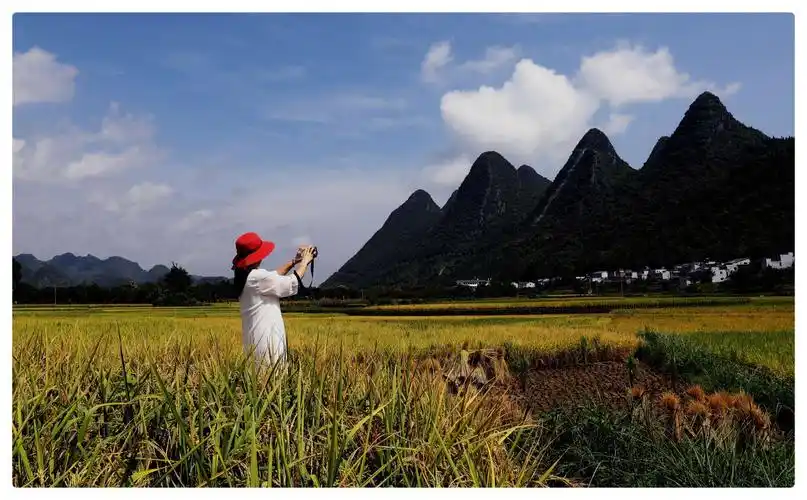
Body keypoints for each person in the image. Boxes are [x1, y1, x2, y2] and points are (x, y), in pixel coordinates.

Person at [231, 231, 316, 367]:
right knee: (272, 376)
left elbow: (273, 275)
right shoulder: (257, 277)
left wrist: (294, 261)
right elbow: (292, 282)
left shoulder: (247, 277)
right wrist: (305, 261)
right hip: (267, 344)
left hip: (255, 342)